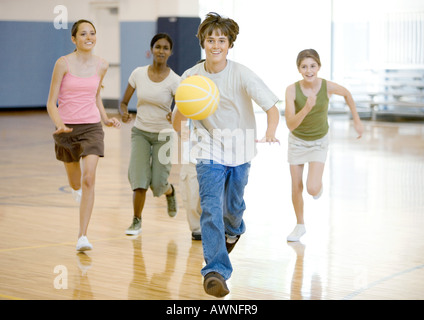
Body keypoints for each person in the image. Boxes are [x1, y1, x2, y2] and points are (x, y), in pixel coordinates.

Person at [172, 12, 280, 298]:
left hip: (241, 150)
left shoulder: (241, 73)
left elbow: (271, 107)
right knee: (210, 209)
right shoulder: (191, 78)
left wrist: (270, 131)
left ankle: (234, 229)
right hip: (208, 152)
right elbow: (177, 118)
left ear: (230, 44)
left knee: (232, 209)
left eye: (221, 40)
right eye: (210, 39)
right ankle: (216, 271)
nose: (215, 45)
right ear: (203, 42)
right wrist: (184, 125)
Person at [46, 19, 121, 251]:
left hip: (91, 128)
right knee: (76, 182)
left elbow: (96, 95)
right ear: (74, 39)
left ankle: (82, 236)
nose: (89, 37)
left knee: (89, 178)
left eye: (92, 33)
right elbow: (51, 102)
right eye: (83, 34)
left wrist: (105, 118)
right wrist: (59, 124)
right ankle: (76, 190)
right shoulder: (63, 64)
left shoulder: (102, 65)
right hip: (66, 128)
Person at [285, 49, 364, 242]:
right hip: (297, 141)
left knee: (312, 189)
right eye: (304, 66)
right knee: (296, 185)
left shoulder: (326, 87)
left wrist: (356, 120)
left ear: (319, 67)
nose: (309, 70)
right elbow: (290, 124)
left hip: (319, 141)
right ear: (299, 69)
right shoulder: (291, 90)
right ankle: (300, 225)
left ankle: (317, 187)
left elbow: (347, 94)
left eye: (312, 66)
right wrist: (306, 108)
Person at [119, 33, 180, 236]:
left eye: (165, 48)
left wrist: (175, 113)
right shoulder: (138, 74)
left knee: (158, 185)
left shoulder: (175, 81)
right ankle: (136, 221)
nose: (161, 51)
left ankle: (170, 190)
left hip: (164, 136)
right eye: (157, 47)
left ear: (170, 52)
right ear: (151, 50)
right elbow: (123, 102)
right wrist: (124, 113)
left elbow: (182, 107)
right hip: (141, 133)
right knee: (139, 180)